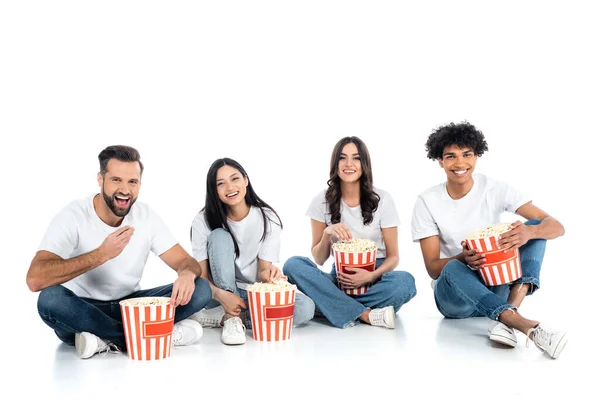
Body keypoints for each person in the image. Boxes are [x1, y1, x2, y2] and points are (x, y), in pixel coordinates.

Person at [26, 145, 211, 359]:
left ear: (140, 184)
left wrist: (186, 274)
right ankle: (152, 334)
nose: (124, 189)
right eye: (116, 180)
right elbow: (35, 279)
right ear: (100, 179)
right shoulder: (73, 216)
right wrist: (101, 255)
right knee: (50, 299)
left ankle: (103, 339)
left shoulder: (146, 216)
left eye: (132, 182)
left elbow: (187, 262)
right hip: (83, 309)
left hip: (131, 306)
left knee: (201, 288)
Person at [411, 121, 568, 359]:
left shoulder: (494, 189)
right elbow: (433, 269)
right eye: (451, 156)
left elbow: (556, 226)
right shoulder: (427, 201)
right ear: (440, 162)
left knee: (535, 226)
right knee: (452, 266)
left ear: (476, 156)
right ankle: (527, 328)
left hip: (497, 288)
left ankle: (506, 317)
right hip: (455, 300)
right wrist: (463, 257)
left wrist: (528, 233)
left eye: (467, 154)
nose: (460, 163)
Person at [282, 136, 416, 329]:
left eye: (356, 158)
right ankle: (366, 314)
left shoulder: (383, 200)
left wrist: (370, 276)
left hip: (375, 277)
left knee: (405, 283)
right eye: (342, 158)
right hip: (340, 278)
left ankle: (332, 305)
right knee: (293, 264)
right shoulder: (321, 201)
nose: (348, 164)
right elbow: (319, 259)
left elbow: (394, 257)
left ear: (364, 164)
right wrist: (327, 233)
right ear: (335, 163)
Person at [190, 158, 315, 345]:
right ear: (214, 190)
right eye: (221, 183)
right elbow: (203, 277)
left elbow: (262, 272)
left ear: (245, 180)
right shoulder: (202, 221)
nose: (230, 187)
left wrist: (271, 276)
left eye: (235, 179)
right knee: (219, 236)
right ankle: (231, 318)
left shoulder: (267, 218)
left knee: (305, 307)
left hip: (252, 296)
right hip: (218, 295)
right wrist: (223, 296)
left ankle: (224, 318)